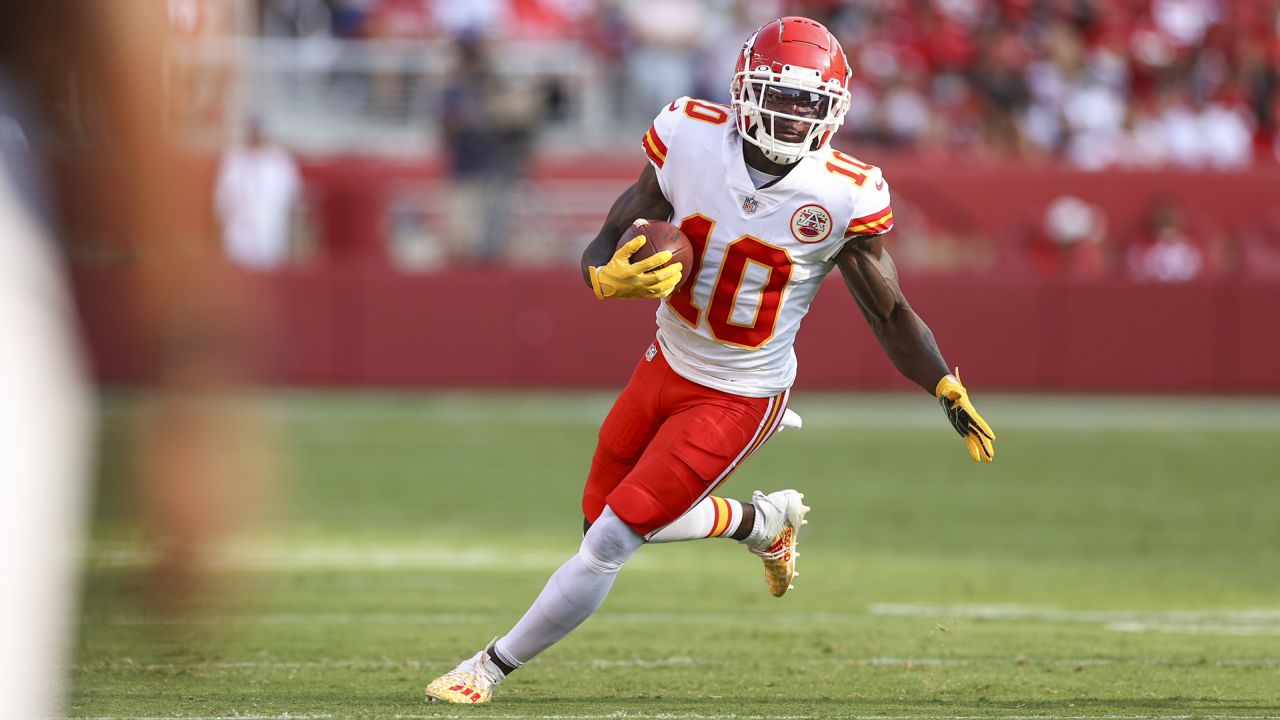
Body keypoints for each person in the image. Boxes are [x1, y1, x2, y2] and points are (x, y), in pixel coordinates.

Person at [424, 16, 997, 704]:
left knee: (609, 541)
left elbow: (890, 313)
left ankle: (486, 669)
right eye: (779, 97)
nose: (791, 116)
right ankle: (761, 524)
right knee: (599, 520)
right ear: (743, 90)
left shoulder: (844, 192)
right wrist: (600, 277)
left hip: (742, 392)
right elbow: (608, 233)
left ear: (833, 112)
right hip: (665, 361)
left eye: (808, 103)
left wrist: (943, 385)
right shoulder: (688, 133)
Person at [214, 116, 301, 270]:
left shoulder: (278, 159)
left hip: (269, 229)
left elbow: (291, 194)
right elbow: (223, 195)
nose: (256, 136)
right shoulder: (235, 157)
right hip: (238, 229)